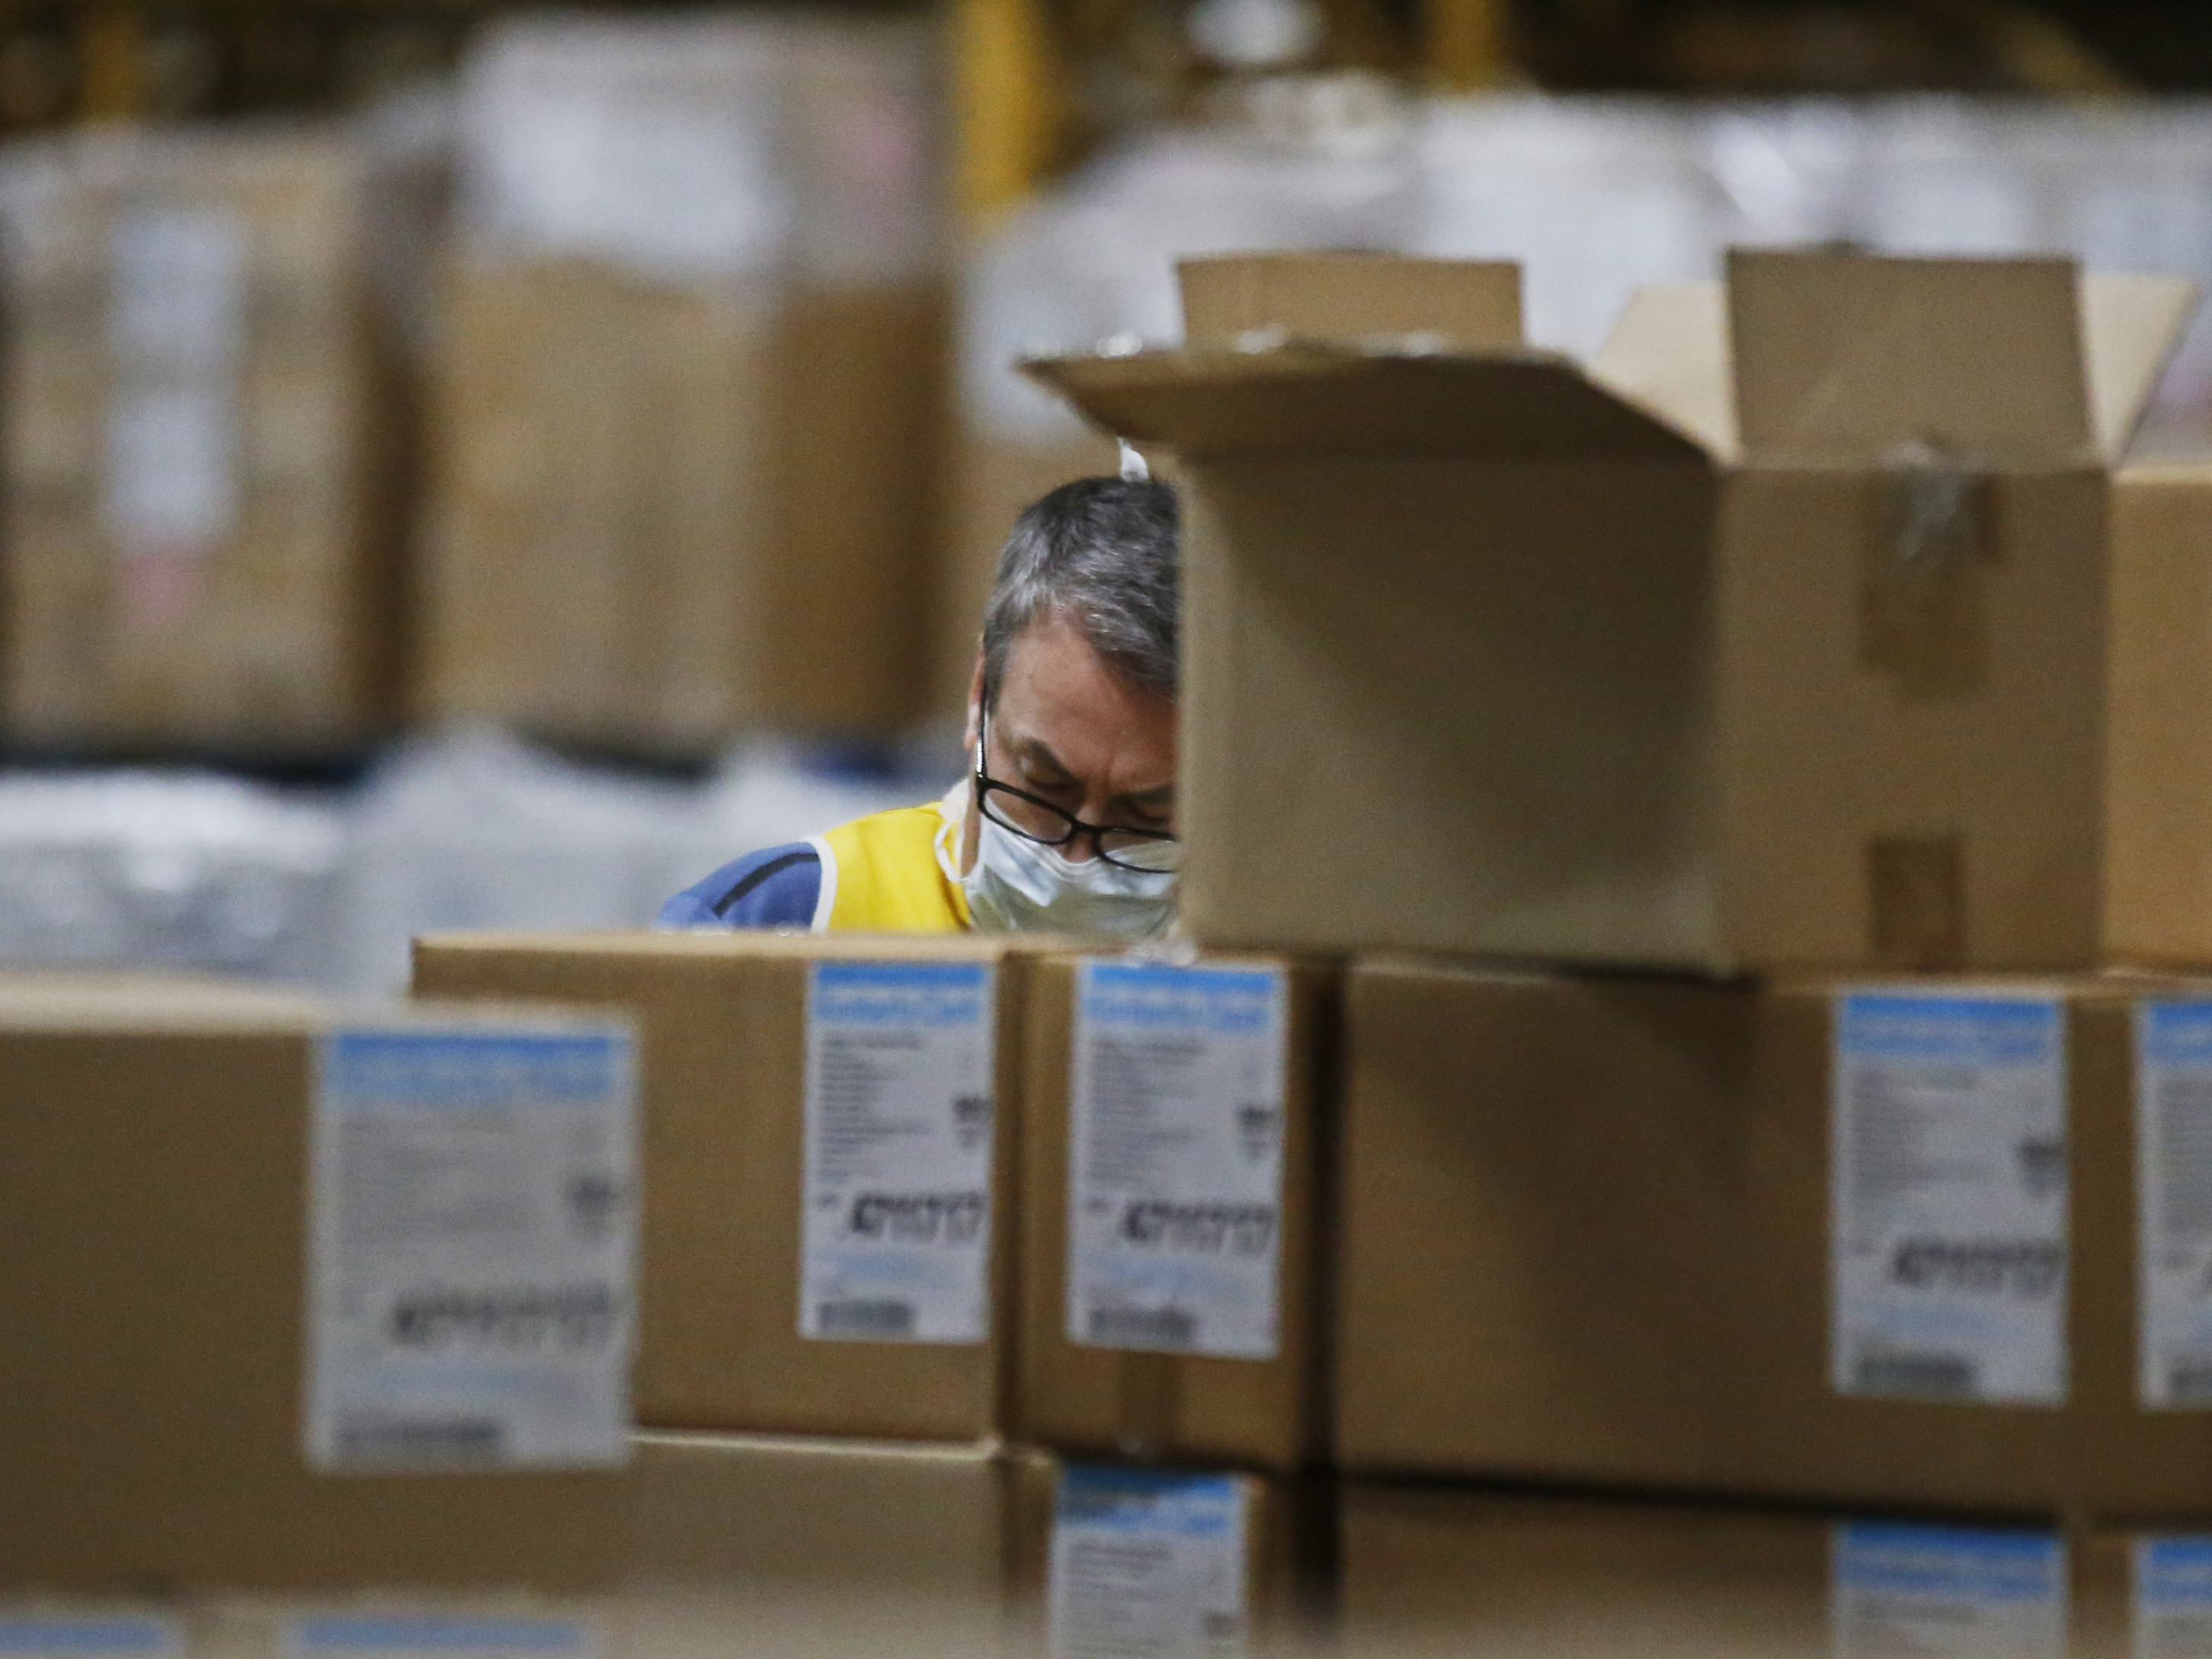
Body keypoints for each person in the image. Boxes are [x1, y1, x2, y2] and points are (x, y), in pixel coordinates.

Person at [659, 473, 1180, 939]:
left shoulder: (1243, 964)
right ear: (980, 695)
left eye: (1143, 812)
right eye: (1046, 785)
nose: (1076, 863)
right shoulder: (782, 923)